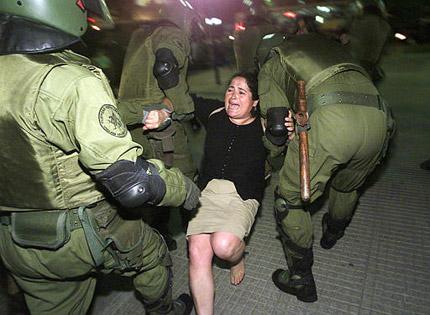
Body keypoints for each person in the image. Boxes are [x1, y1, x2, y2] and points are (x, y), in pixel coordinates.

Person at [0, 1, 200, 314]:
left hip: (14, 239)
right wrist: (185, 189)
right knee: (152, 253)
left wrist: (149, 109)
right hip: (80, 232)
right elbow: (134, 184)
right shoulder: (71, 79)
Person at [257, 32, 395, 302]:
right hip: (380, 117)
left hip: (333, 121)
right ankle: (333, 232)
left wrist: (273, 156)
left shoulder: (274, 60)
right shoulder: (330, 49)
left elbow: (275, 125)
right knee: (348, 183)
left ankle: (301, 280)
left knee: (289, 201)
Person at [186, 72, 294, 315]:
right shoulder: (215, 113)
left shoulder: (266, 126)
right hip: (207, 193)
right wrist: (162, 110)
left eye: (242, 92)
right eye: (230, 89)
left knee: (223, 246)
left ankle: (237, 258)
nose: (233, 96)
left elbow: (294, 145)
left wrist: (292, 129)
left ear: (255, 102)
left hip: (242, 195)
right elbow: (185, 99)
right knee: (197, 251)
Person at [117, 2, 201, 250]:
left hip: (135, 124)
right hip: (161, 127)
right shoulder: (173, 33)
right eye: (194, 20)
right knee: (185, 179)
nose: (194, 26)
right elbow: (165, 67)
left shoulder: (140, 34)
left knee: (152, 179)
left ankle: (160, 235)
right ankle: (195, 236)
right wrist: (184, 108)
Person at [342, 0, 391, 83]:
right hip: (371, 59)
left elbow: (349, 37)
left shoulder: (358, 22)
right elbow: (382, 45)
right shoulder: (383, 24)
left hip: (358, 57)